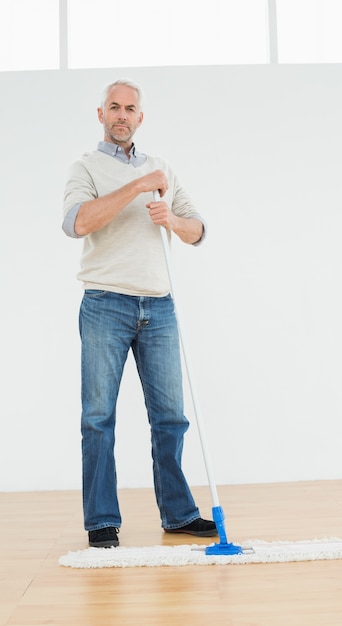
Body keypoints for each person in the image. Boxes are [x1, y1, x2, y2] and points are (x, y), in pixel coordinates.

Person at [62, 78, 217, 548]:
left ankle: (178, 513)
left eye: (130, 108)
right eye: (114, 107)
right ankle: (101, 521)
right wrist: (136, 187)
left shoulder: (163, 168)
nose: (122, 115)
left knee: (170, 418)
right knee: (98, 418)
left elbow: (199, 230)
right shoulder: (85, 167)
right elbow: (76, 223)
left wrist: (172, 219)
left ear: (140, 117)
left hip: (160, 306)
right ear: (101, 114)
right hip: (105, 303)